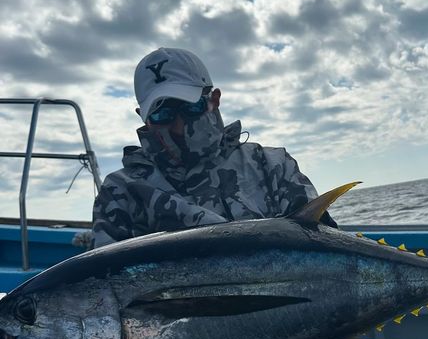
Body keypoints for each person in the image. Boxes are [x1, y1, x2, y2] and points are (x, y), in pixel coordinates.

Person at [92, 47, 336, 248]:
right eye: (162, 114)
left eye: (190, 108)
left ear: (214, 99)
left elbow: (321, 242)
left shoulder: (271, 165)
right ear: (144, 118)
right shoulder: (121, 192)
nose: (178, 127)